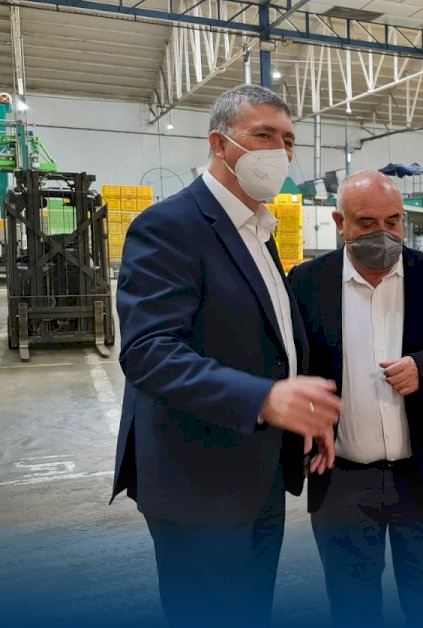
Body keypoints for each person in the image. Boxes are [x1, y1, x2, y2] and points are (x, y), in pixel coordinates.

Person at [112, 84, 341, 626]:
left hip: (258, 472)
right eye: (263, 135)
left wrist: (303, 415)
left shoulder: (258, 230)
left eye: (287, 140)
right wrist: (264, 399)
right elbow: (148, 351)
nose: (279, 151)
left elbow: (269, 337)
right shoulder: (171, 226)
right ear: (220, 143)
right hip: (198, 483)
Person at [288, 171, 423, 626]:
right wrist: (305, 418)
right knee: (352, 606)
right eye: (367, 223)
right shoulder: (306, 285)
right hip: (342, 481)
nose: (383, 234)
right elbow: (288, 368)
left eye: (393, 221)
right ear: (340, 223)